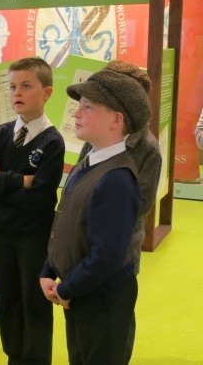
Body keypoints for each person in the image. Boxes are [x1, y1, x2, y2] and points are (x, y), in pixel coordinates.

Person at [41, 68, 151, 365]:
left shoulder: (116, 178)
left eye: (88, 107)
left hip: (102, 299)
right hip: (81, 293)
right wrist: (48, 270)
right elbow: (66, 222)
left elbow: (107, 255)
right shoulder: (88, 163)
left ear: (117, 120)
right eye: (80, 105)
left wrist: (66, 288)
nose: (77, 113)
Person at [0, 56, 65, 365]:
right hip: (1, 233)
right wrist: (19, 181)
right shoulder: (2, 134)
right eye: (13, 86)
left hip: (33, 237)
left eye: (26, 86)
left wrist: (1, 184)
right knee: (9, 297)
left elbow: (39, 199)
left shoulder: (52, 141)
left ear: (47, 92)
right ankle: (14, 356)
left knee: (34, 300)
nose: (17, 93)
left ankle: (36, 359)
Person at [74, 60, 162, 364]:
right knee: (87, 332)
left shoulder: (147, 147)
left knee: (115, 327)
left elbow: (144, 202)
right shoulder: (96, 140)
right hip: (88, 249)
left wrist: (106, 200)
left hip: (119, 253)